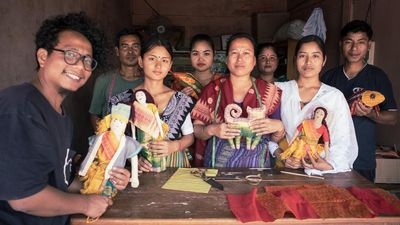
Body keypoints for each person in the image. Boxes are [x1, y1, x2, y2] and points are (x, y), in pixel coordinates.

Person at [0, 13, 131, 225]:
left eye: (88, 60)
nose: (81, 66)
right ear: (43, 57)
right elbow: (24, 198)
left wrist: (107, 178)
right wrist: (85, 204)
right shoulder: (19, 108)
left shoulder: (62, 116)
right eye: (71, 54)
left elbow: (63, 182)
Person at [191, 32, 285, 168]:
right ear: (227, 59)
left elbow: (276, 138)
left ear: (254, 61)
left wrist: (278, 126)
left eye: (246, 53)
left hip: (257, 170)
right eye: (234, 53)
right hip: (217, 169)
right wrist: (212, 130)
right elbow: (196, 129)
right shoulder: (212, 90)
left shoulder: (269, 91)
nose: (240, 59)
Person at [321, 20, 398, 182]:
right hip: (329, 156)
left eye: (361, 42)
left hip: (362, 158)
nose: (354, 48)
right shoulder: (328, 77)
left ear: (369, 45)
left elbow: (393, 118)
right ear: (341, 44)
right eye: (349, 42)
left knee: (362, 205)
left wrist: (371, 114)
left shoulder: (377, 76)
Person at [275, 35, 358, 175]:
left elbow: (343, 141)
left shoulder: (334, 96)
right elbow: (265, 134)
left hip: (321, 172)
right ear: (295, 59)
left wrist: (329, 165)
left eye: (315, 56)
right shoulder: (280, 90)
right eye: (302, 56)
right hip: (285, 170)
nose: (308, 62)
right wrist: (282, 156)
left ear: (323, 60)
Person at [135, 37, 195, 172]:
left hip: (175, 166)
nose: (158, 65)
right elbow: (116, 139)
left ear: (170, 65)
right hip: (141, 168)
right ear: (140, 61)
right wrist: (133, 158)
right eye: (152, 59)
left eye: (164, 60)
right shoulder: (126, 99)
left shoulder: (180, 99)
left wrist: (174, 146)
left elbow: (189, 137)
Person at [89, 28, 144, 130]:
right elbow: (94, 115)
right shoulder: (104, 80)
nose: (130, 51)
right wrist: (103, 138)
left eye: (135, 46)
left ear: (141, 51)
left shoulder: (149, 81)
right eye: (125, 47)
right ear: (117, 51)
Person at [171, 33, 225, 100]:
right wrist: (180, 99)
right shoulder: (180, 82)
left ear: (214, 54)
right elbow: (171, 107)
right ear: (189, 55)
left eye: (206, 54)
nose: (200, 59)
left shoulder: (222, 81)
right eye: (195, 54)